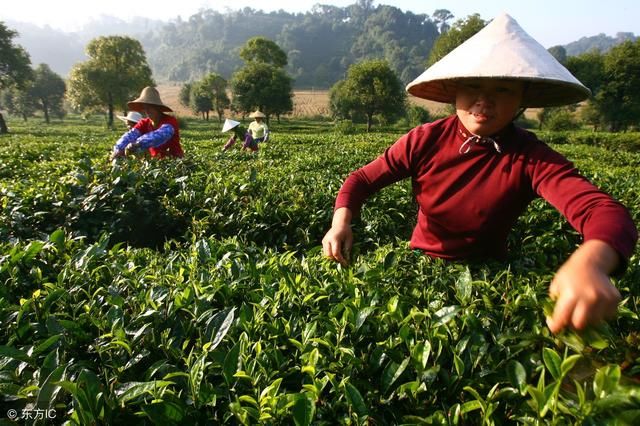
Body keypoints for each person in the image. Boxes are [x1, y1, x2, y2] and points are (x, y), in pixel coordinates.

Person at [321, 13, 638, 335]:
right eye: (473, 85)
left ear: (521, 100)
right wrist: (340, 224)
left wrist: (591, 262)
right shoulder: (425, 140)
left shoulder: (530, 157)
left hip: (490, 276)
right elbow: (360, 180)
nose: (484, 101)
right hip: (421, 264)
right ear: (455, 90)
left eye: (502, 89)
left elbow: (603, 211)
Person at [110, 86, 184, 159]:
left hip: (175, 162)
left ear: (158, 107)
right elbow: (131, 135)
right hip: (156, 163)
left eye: (150, 107)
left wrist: (138, 143)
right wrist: (119, 148)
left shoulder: (170, 121)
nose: (147, 110)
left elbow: (161, 135)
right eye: (145, 107)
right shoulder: (144, 123)